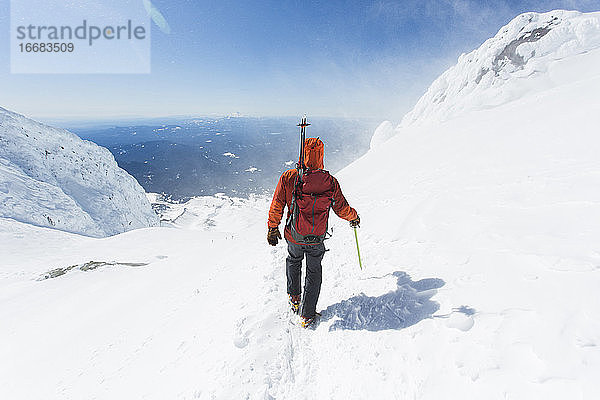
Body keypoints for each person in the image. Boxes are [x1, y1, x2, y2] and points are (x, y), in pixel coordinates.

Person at [267, 137, 360, 328]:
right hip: (316, 238)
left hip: (294, 234)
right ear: (321, 156)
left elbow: (278, 204)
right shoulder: (330, 182)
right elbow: (342, 209)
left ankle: (294, 298)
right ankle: (307, 314)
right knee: (314, 271)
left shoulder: (290, 177)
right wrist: (354, 217)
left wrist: (272, 227)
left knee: (293, 261)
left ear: (303, 154)